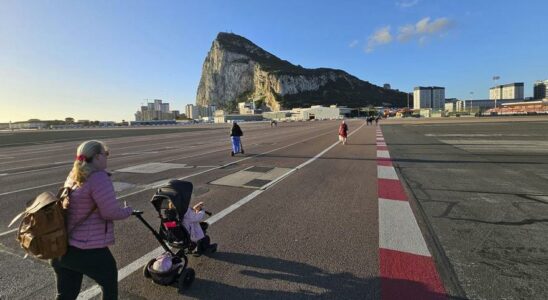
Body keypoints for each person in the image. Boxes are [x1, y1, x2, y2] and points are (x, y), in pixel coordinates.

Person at [50, 140, 132, 300]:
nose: (107, 157)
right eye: (105, 153)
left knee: (65, 295)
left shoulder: (73, 176)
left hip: (62, 249)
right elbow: (109, 212)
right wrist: (128, 211)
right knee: (109, 286)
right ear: (96, 157)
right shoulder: (98, 178)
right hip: (88, 249)